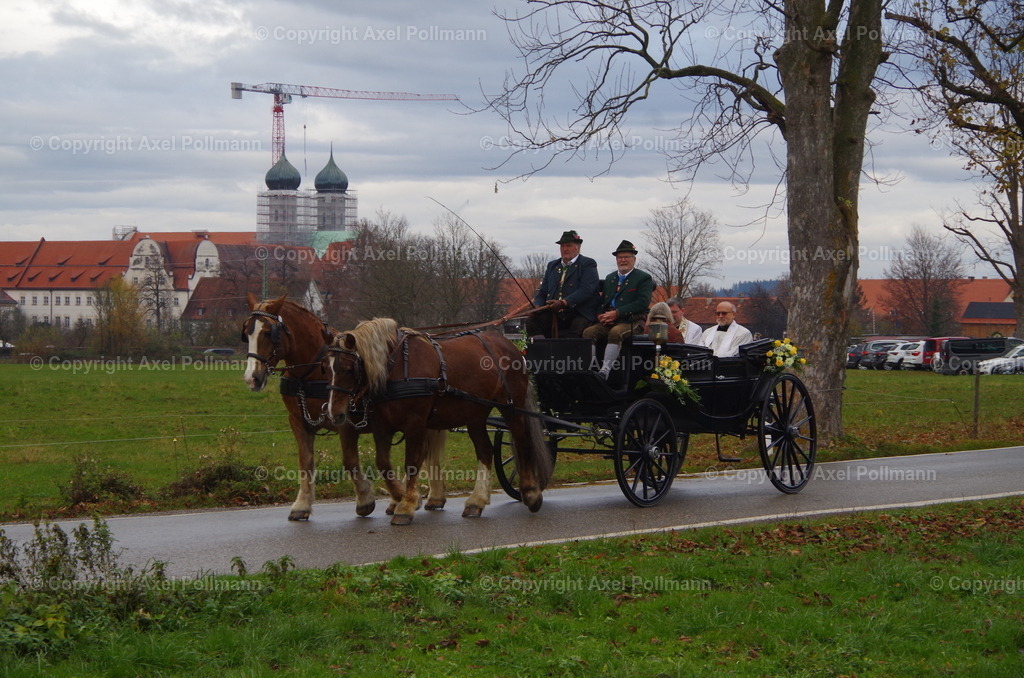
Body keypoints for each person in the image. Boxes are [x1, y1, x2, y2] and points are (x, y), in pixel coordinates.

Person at [583, 240, 654, 378]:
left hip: (632, 322)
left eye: (626, 257)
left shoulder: (643, 278)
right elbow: (602, 302)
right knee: (588, 332)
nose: (622, 260)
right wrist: (601, 316)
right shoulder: (610, 278)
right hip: (609, 320)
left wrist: (617, 313)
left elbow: (642, 303)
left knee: (616, 332)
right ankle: (590, 370)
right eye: (619, 257)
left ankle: (605, 371)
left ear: (634, 259)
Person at [526, 230, 600, 338]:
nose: (565, 249)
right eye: (562, 246)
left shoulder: (587, 264)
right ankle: (542, 352)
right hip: (555, 313)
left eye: (569, 245)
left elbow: (587, 289)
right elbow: (543, 292)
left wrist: (565, 302)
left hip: (579, 312)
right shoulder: (552, 266)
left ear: (578, 247)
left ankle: (570, 354)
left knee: (577, 327)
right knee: (533, 322)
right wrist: (537, 305)